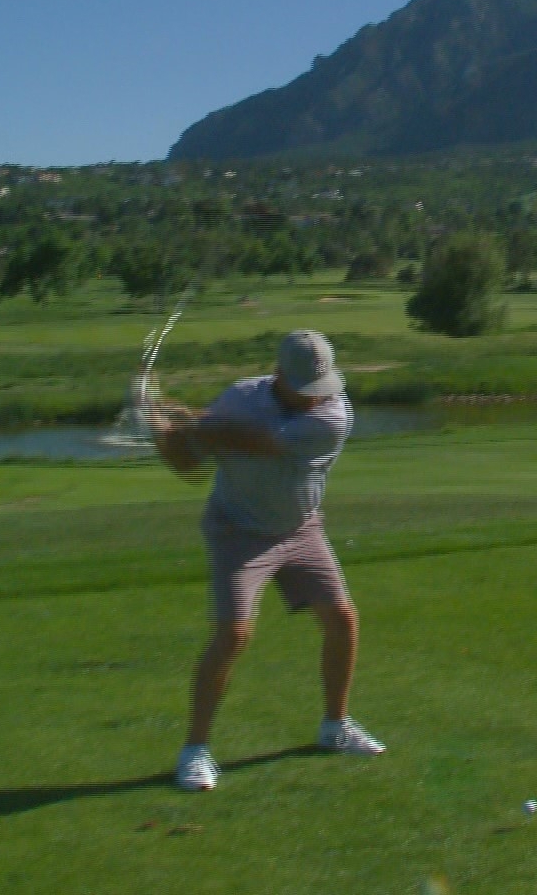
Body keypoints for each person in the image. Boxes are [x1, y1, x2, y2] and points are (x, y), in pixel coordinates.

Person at [153, 329, 384, 792]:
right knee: (234, 633)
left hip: (301, 529)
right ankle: (194, 751)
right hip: (237, 531)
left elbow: (256, 439)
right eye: (304, 392)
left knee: (342, 619)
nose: (314, 400)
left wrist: (183, 417)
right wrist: (159, 427)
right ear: (277, 375)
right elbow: (189, 467)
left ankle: (334, 726)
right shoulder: (240, 397)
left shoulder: (334, 416)